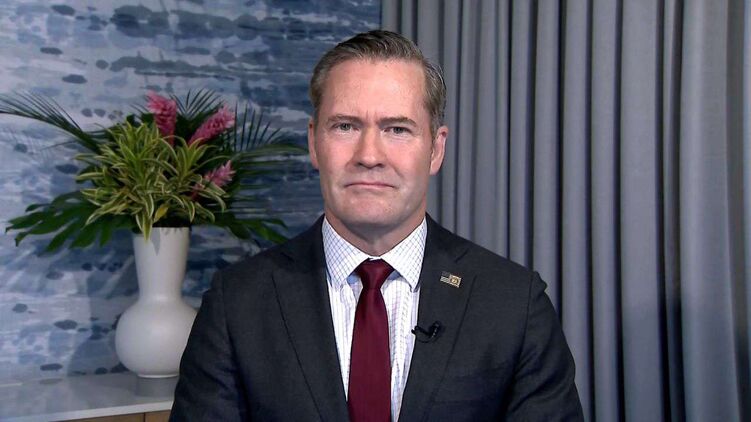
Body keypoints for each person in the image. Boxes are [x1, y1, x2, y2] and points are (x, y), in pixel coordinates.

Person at [170, 30, 583, 421]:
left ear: (436, 150)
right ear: (314, 142)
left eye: (397, 129)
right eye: (345, 126)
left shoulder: (514, 304)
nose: (369, 155)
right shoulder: (236, 304)